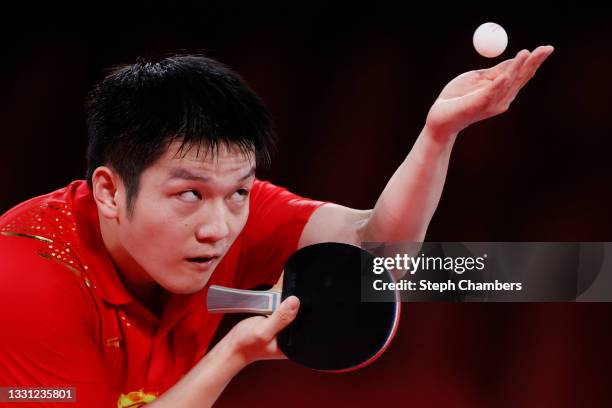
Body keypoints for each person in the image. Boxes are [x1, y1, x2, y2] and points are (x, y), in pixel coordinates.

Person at [0, 46, 553, 407]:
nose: (219, 227)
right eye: (188, 194)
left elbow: (376, 258)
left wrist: (438, 136)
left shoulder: (235, 215)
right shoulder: (27, 277)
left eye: (238, 190)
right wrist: (234, 352)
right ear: (110, 191)